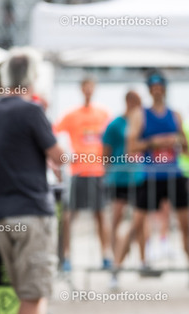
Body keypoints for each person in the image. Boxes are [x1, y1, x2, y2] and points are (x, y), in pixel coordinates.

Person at [0, 49, 64, 314]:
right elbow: (58, 155)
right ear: (33, 77)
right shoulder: (31, 110)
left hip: (0, 215)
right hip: (32, 213)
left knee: (27, 292)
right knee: (33, 293)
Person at [120, 71, 189, 288]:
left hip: (174, 175)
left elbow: (185, 145)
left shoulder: (175, 115)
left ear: (165, 90)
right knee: (136, 224)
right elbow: (131, 147)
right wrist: (155, 142)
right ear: (150, 91)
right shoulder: (140, 115)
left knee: (186, 225)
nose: (157, 91)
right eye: (154, 88)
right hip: (151, 175)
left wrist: (178, 141)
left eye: (160, 88)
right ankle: (116, 269)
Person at [54, 77, 112, 272]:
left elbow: (111, 138)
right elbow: (53, 133)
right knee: (70, 215)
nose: (88, 90)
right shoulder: (72, 115)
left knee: (100, 214)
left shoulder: (103, 114)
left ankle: (106, 255)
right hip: (78, 172)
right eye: (85, 87)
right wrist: (65, 157)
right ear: (81, 89)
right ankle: (66, 256)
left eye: (91, 87)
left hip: (97, 171)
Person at [102, 90, 148, 290]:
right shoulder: (115, 124)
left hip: (137, 177)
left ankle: (141, 259)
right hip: (119, 177)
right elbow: (106, 152)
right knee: (117, 219)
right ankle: (116, 258)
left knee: (139, 221)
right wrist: (108, 173)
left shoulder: (141, 121)